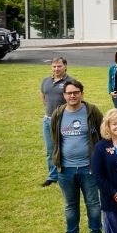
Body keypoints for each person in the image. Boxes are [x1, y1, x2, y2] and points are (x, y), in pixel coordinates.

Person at [51, 79, 104, 233]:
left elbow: (104, 133)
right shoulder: (58, 114)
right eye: (69, 93)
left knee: (93, 204)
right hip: (65, 170)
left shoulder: (92, 111)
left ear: (81, 93)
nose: (72, 95)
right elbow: (55, 139)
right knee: (70, 205)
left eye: (76, 92)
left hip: (89, 169)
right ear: (64, 95)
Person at [40, 57, 74, 187]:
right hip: (48, 120)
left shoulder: (70, 82)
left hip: (65, 120)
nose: (56, 69)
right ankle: (52, 176)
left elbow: (75, 99)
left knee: (66, 148)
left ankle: (67, 173)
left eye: (59, 66)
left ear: (65, 66)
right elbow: (43, 96)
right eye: (54, 66)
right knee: (50, 149)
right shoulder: (46, 81)